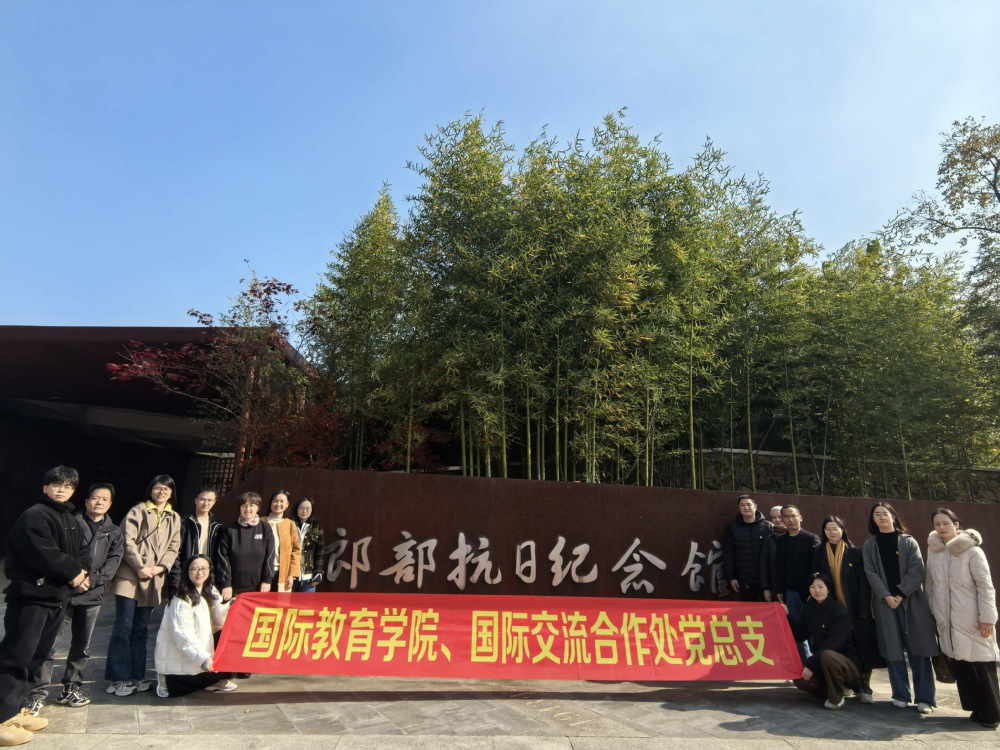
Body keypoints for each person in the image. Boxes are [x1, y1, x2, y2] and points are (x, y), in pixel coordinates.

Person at [0, 466, 90, 747]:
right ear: (45, 487)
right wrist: (74, 573)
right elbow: (44, 554)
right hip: (31, 598)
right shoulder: (35, 515)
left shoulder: (70, 519)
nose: (62, 489)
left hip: (56, 597)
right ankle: (2, 718)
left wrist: (83, 572)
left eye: (68, 486)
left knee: (37, 657)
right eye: (56, 484)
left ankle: (17, 710)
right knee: (16, 657)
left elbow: (83, 552)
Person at [29, 483, 124, 712]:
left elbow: (113, 562)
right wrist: (75, 578)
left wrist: (91, 580)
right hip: (65, 592)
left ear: (110, 504)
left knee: (81, 646)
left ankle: (71, 687)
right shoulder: (69, 523)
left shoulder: (114, 531)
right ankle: (37, 693)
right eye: (95, 498)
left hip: (92, 595)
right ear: (86, 501)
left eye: (104, 499)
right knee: (49, 644)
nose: (99, 502)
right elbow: (57, 555)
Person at [105, 475, 182, 697]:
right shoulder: (138, 510)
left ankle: (137, 677)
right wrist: (140, 567)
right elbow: (127, 540)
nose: (161, 492)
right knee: (123, 627)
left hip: (153, 578)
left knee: (141, 629)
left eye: (166, 489)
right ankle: (117, 679)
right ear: (151, 490)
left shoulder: (174, 517)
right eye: (158, 488)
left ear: (171, 493)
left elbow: (174, 546)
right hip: (130, 575)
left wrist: (160, 568)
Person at [925, 508, 999, 729]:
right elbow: (930, 584)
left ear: (956, 525)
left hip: (972, 619)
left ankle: (992, 713)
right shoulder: (934, 551)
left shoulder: (973, 551)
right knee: (962, 666)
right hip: (947, 620)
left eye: (946, 523)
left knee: (982, 665)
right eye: (937, 524)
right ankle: (976, 708)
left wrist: (987, 618)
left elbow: (985, 586)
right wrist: (934, 611)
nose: (941, 528)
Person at [862, 502, 937, 713]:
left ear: (893, 516)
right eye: (877, 514)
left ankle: (925, 698)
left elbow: (917, 570)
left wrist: (900, 593)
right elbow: (870, 572)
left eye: (885, 513)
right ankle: (900, 694)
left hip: (911, 601)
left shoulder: (908, 541)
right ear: (873, 519)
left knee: (919, 649)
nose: (881, 517)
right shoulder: (870, 545)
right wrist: (886, 596)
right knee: (892, 649)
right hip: (885, 603)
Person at [812, 515, 881, 703]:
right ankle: (844, 683)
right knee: (838, 646)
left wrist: (864, 609)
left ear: (842, 529)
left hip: (855, 609)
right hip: (831, 609)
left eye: (835, 528)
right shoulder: (818, 553)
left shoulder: (855, 553)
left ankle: (864, 686)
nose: (832, 532)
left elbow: (864, 584)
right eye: (828, 529)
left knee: (862, 648)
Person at [153, 554, 236, 698]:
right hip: (183, 661)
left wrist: (233, 606)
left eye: (204, 568)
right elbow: (183, 634)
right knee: (180, 686)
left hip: (201, 656)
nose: (199, 572)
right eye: (194, 569)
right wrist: (203, 658)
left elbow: (218, 616)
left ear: (209, 570)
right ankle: (165, 681)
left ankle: (212, 679)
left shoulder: (209, 591)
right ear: (187, 572)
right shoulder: (180, 599)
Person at [792, 572, 862, 710]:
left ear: (828, 589)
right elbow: (800, 635)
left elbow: (834, 644)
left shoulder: (838, 610)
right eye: (812, 587)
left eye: (820, 587)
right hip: (821, 661)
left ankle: (836, 699)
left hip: (845, 663)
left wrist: (810, 664)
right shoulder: (809, 609)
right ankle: (835, 688)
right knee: (800, 680)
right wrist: (786, 615)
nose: (816, 590)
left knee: (828, 655)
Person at [767, 505, 820, 662]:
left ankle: (816, 665)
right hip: (788, 593)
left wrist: (814, 590)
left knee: (813, 630)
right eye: (786, 517)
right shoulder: (780, 540)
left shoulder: (811, 539)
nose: (790, 520)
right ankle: (803, 665)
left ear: (800, 517)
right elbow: (777, 568)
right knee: (795, 631)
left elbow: (816, 568)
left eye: (793, 516)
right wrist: (777, 589)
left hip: (808, 593)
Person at [215, 491, 275, 601]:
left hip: (259, 587)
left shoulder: (265, 528)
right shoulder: (229, 529)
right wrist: (226, 583)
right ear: (240, 508)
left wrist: (267, 580)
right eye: (244, 505)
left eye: (252, 505)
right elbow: (223, 557)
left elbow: (270, 555)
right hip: (233, 588)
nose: (248, 509)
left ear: (258, 508)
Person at [168, 486, 222, 594]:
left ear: (214, 502)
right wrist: (176, 579)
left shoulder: (217, 525)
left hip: (207, 575)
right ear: (196, 500)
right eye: (202, 499)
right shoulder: (184, 523)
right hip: (188, 575)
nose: (206, 503)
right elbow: (175, 552)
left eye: (210, 500)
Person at [722, 494, 772, 602]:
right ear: (739, 508)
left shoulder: (768, 527)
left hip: (766, 580)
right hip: (744, 580)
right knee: (749, 610)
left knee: (767, 609)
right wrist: (731, 577)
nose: (746, 507)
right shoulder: (732, 528)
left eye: (749, 504)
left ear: (755, 506)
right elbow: (728, 554)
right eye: (742, 505)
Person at [265, 489, 301, 593]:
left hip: (282, 574)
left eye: (282, 501)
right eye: (275, 501)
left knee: (280, 602)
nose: (278, 504)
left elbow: (296, 551)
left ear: (287, 504)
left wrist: (291, 575)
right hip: (262, 573)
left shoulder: (290, 524)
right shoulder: (261, 522)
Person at [292, 497, 325, 593]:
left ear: (312, 510)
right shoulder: (290, 524)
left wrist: (318, 572)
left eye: (308, 508)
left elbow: (320, 551)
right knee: (288, 602)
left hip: (308, 577)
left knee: (306, 602)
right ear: (296, 509)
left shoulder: (317, 526)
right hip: (290, 576)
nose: (304, 511)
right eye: (301, 508)